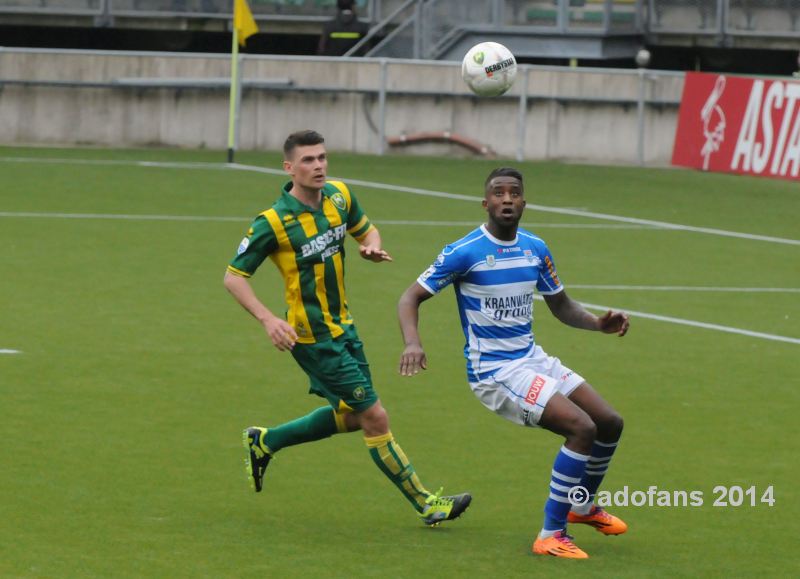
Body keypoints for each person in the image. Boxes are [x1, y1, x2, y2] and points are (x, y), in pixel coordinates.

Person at [224, 129, 471, 526]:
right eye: (308, 160)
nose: (318, 165)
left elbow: (365, 229)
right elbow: (234, 276)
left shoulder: (339, 195)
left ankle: (265, 441)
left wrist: (369, 245)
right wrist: (269, 319)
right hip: (311, 338)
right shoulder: (272, 222)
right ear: (289, 167)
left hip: (345, 326)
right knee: (375, 416)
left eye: (322, 157)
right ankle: (427, 504)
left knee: (353, 414)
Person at [397, 167, 630, 558]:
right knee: (580, 428)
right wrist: (412, 343)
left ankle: (582, 506)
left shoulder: (535, 248)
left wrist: (596, 324)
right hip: (495, 372)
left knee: (609, 422)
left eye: (514, 193)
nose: (507, 199)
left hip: (532, 359)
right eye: (499, 193)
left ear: (524, 202)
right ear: (485, 203)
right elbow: (409, 297)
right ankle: (550, 534)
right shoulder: (464, 252)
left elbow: (561, 305)